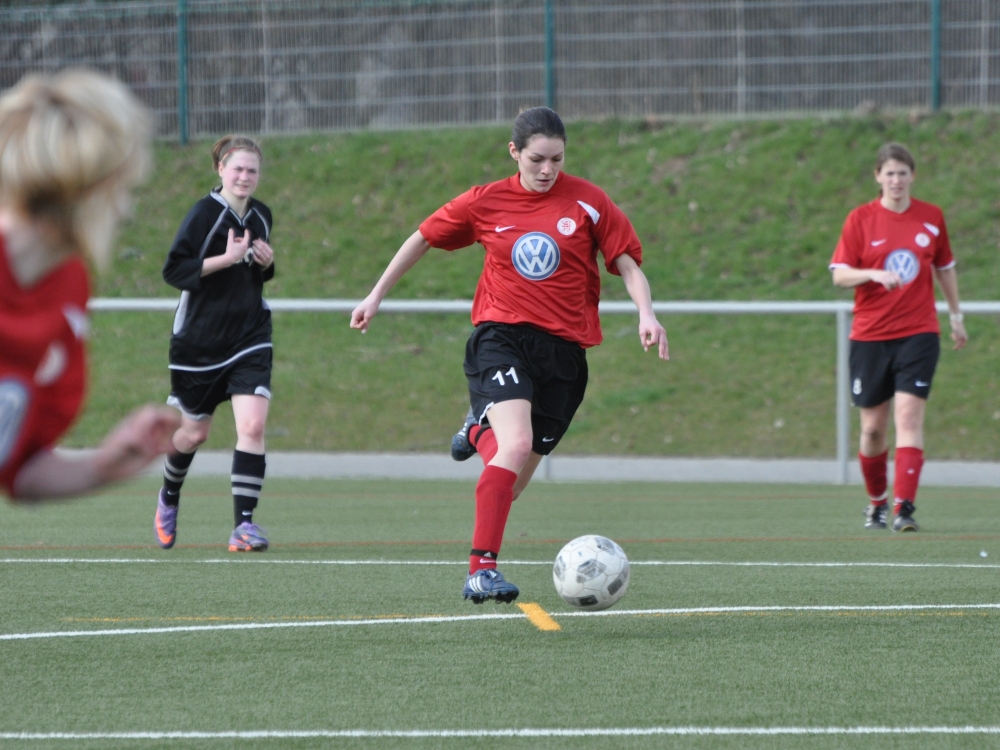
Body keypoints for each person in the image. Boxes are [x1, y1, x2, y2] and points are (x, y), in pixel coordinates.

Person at [351, 107, 668, 603]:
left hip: (564, 355)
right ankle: (481, 570)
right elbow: (423, 237)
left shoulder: (589, 201)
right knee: (516, 445)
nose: (548, 170)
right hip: (502, 338)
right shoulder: (486, 201)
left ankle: (477, 431)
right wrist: (375, 296)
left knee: (512, 481)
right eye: (537, 159)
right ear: (514, 152)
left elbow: (626, 264)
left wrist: (646, 313)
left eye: (557, 159)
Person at [0, 69, 180, 500]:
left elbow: (20, 469)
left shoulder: (68, 283)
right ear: (89, 189)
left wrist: (103, 465)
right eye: (123, 188)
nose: (125, 210)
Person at [830, 142, 967, 532]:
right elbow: (840, 275)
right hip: (870, 336)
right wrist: (873, 274)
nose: (896, 180)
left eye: (902, 173)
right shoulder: (860, 220)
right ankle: (877, 503)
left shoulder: (931, 217)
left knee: (908, 416)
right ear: (878, 177)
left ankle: (904, 508)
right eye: (889, 173)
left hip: (918, 333)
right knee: (873, 428)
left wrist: (956, 316)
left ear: (912, 176)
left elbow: (945, 268)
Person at [156, 135, 276, 552]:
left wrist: (266, 264)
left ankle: (244, 526)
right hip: (199, 343)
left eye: (252, 170)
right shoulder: (203, 214)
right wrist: (226, 259)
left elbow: (256, 275)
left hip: (249, 336)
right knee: (193, 434)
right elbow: (173, 271)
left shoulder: (261, 215)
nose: (244, 176)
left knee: (253, 426)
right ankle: (169, 494)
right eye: (237, 168)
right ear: (220, 169)